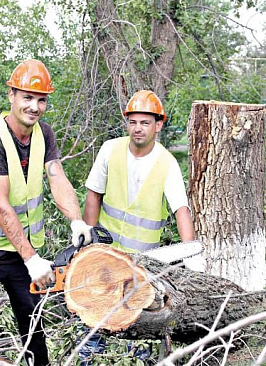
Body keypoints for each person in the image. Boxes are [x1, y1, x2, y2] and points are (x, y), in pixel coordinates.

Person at [0, 59, 92, 366]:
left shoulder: (44, 134)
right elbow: (1, 205)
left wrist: (76, 219)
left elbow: (57, 177)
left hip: (21, 254)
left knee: (34, 330)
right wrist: (32, 259)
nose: (34, 107)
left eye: (41, 100)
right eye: (27, 97)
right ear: (11, 96)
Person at [79, 90, 202, 364]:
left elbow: (181, 210)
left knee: (138, 332)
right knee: (93, 323)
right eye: (133, 122)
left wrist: (193, 255)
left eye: (145, 123)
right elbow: (93, 194)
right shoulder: (110, 150)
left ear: (158, 125)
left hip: (144, 264)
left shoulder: (166, 163)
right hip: (107, 255)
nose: (138, 128)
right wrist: (88, 239)